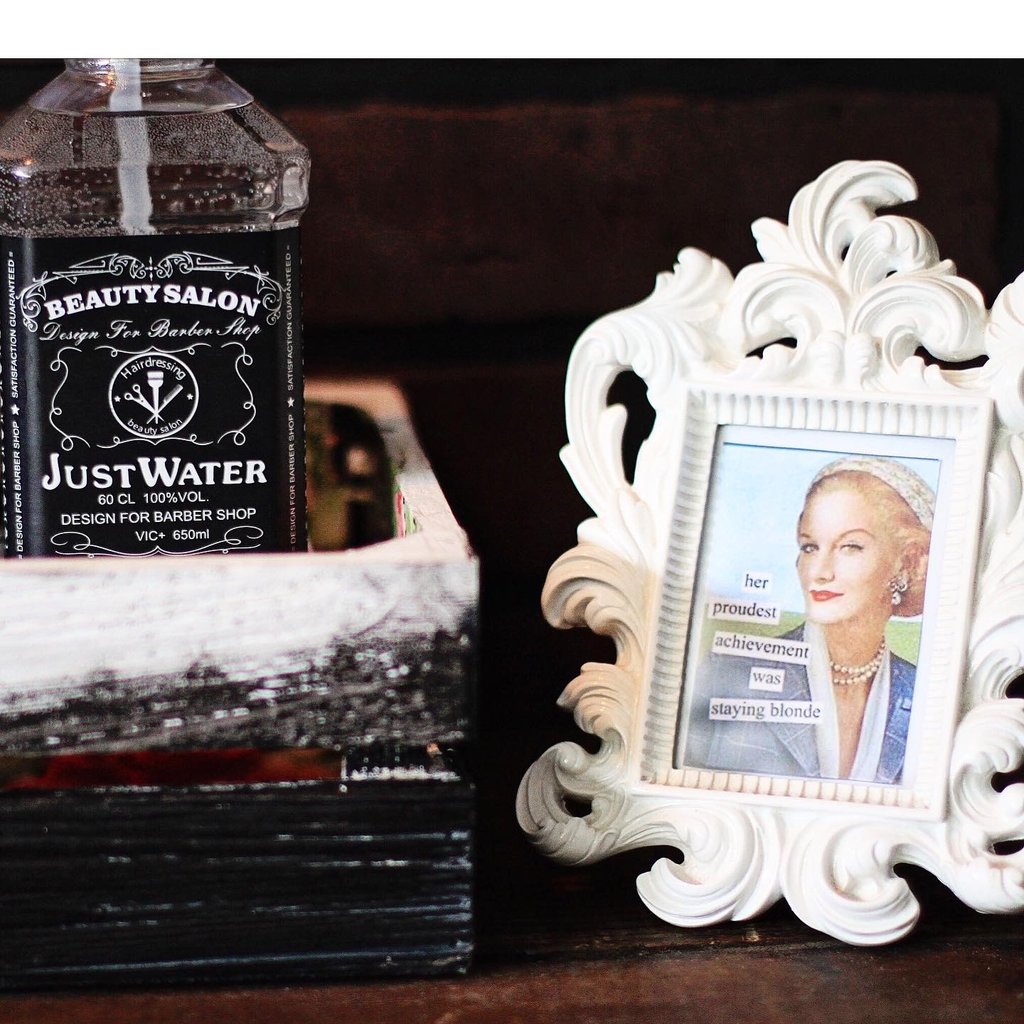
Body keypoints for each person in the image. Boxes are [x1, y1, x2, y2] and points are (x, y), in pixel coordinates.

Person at [683, 456, 934, 785]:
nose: (820, 571)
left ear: (907, 563)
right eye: (810, 547)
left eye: (850, 547)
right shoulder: (727, 673)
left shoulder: (926, 693)